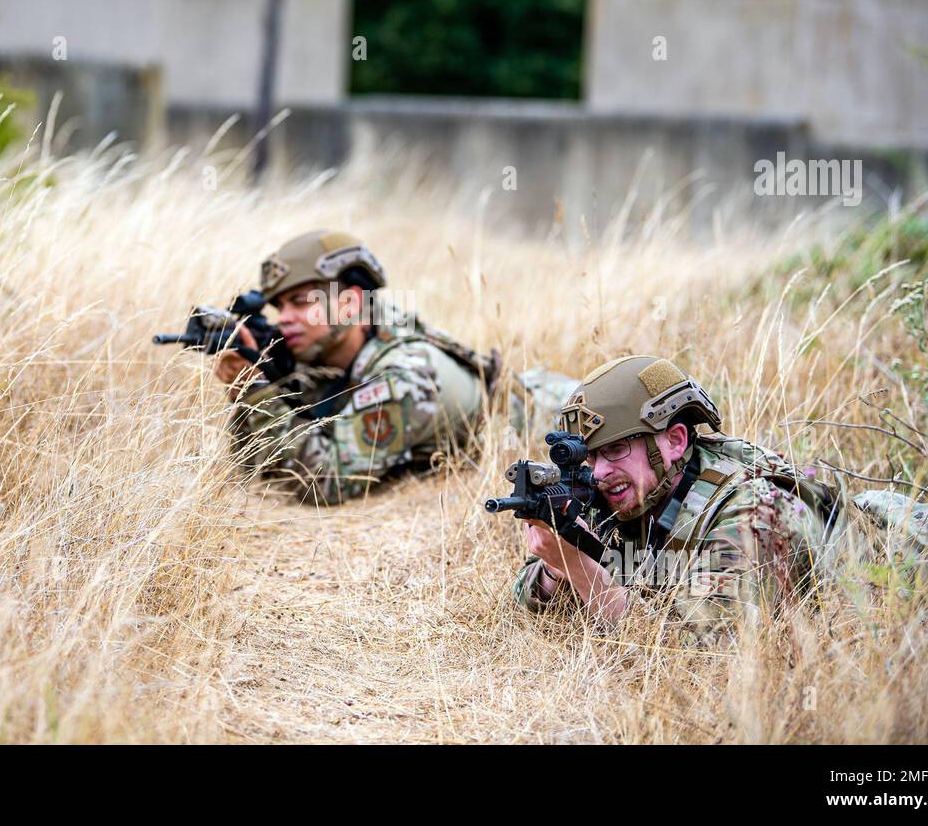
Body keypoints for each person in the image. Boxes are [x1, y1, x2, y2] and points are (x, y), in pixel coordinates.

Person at [215, 229, 576, 505]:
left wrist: (257, 390)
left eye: (299, 302)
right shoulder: (353, 336)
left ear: (349, 303)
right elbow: (255, 466)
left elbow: (325, 482)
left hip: (563, 414)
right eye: (280, 308)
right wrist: (267, 372)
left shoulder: (402, 376)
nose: (286, 320)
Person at [512, 354, 838, 644]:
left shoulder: (753, 509)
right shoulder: (625, 495)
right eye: (592, 456)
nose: (599, 472)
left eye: (615, 449)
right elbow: (528, 602)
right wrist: (557, 561)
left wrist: (582, 570)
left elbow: (703, 654)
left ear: (675, 440)